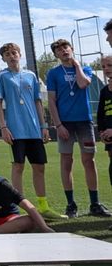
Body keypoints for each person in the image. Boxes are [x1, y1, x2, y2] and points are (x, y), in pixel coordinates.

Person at [0, 42, 63, 220]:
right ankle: (19, 209)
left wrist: (43, 126)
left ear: (20, 54)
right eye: (7, 54)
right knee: (18, 166)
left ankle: (43, 207)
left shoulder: (31, 75)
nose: (11, 56)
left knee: (39, 167)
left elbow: (38, 101)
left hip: (34, 130)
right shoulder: (1, 76)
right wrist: (3, 127)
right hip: (15, 130)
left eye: (14, 52)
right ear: (3, 58)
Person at [46, 38, 111, 218]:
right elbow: (51, 100)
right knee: (66, 162)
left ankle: (95, 204)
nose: (63, 51)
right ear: (56, 55)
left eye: (65, 47)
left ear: (72, 49)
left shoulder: (85, 69)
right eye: (59, 50)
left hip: (84, 121)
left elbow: (83, 84)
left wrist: (76, 66)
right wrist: (58, 125)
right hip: (65, 123)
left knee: (89, 161)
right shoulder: (53, 73)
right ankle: (71, 204)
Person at [97, 54, 112, 209]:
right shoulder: (104, 91)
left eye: (110, 65)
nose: (106, 69)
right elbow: (101, 113)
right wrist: (102, 132)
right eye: (103, 67)